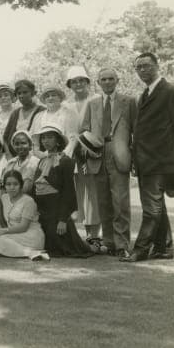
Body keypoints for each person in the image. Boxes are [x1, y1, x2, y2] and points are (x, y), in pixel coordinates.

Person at [124, 52, 174, 263]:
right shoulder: (143, 95)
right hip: (146, 162)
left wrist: (173, 156)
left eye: (146, 65)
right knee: (157, 206)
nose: (143, 70)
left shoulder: (172, 92)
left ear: (157, 66)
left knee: (151, 209)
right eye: (139, 67)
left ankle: (140, 250)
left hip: (161, 163)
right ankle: (163, 248)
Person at [79, 66, 139, 260]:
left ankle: (122, 245)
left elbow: (136, 132)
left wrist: (135, 159)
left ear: (117, 80)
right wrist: (88, 151)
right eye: (103, 79)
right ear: (98, 82)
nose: (107, 82)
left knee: (120, 202)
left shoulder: (129, 102)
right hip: (97, 155)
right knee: (103, 201)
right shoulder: (92, 104)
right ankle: (109, 242)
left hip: (119, 154)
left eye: (110, 79)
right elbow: (83, 131)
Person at [32, 125, 92, 258]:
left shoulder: (66, 161)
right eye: (43, 138)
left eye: (50, 137)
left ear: (58, 140)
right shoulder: (41, 161)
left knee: (62, 244)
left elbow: (68, 191)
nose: (46, 141)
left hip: (56, 208)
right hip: (43, 209)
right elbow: (35, 188)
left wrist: (63, 219)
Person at [64, 65, 103, 249]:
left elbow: (100, 127)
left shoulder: (97, 99)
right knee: (81, 193)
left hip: (94, 151)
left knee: (94, 193)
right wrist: (74, 147)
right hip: (75, 154)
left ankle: (96, 235)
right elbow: (68, 131)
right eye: (74, 81)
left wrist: (88, 146)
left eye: (82, 80)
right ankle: (88, 235)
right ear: (69, 85)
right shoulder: (67, 106)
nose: (78, 84)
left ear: (88, 82)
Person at [0, 170, 49, 261]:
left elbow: (23, 227)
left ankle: (31, 252)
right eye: (8, 184)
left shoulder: (28, 201)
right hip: (13, 234)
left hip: (30, 235)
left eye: (15, 184)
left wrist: (2, 231)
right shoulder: (4, 198)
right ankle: (28, 252)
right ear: (5, 186)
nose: (12, 187)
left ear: (21, 185)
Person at [1, 79, 46, 152]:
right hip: (16, 156)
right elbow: (5, 138)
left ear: (32, 93)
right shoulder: (15, 113)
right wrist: (8, 154)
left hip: (36, 155)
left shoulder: (42, 111)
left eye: (25, 92)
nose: (21, 96)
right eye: (19, 93)